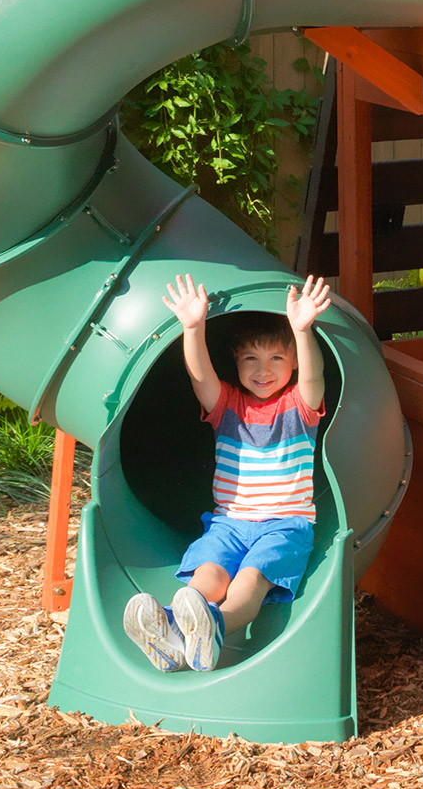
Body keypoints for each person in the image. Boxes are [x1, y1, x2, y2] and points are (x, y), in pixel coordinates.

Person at [123, 274, 332, 674]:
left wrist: (303, 331)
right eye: (251, 359)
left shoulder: (300, 407)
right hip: (229, 523)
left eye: (276, 359)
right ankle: (169, 632)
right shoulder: (228, 405)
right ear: (236, 362)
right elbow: (200, 377)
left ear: (291, 362)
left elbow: (313, 376)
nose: (263, 370)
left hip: (284, 525)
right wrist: (192, 328)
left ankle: (215, 627)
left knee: (248, 584)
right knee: (207, 576)